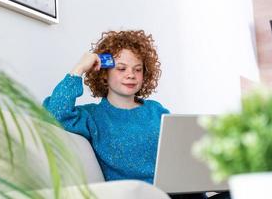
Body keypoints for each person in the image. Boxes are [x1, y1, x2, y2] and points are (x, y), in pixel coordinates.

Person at [43, 30, 230, 199]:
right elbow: (55, 112)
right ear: (104, 74)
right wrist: (79, 68)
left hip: (186, 194)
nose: (131, 75)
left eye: (137, 69)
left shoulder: (156, 110)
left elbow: (179, 154)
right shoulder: (93, 116)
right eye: (122, 68)